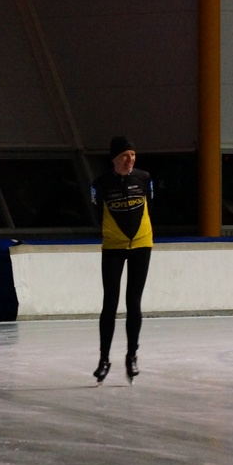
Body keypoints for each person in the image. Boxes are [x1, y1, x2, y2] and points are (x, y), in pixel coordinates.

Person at [90, 135, 153, 383]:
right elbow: (96, 214)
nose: (130, 160)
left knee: (133, 302)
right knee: (110, 303)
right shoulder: (100, 184)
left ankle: (132, 356)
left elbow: (151, 206)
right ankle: (104, 359)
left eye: (133, 155)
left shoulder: (144, 178)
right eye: (125, 156)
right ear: (114, 159)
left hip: (141, 245)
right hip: (114, 247)